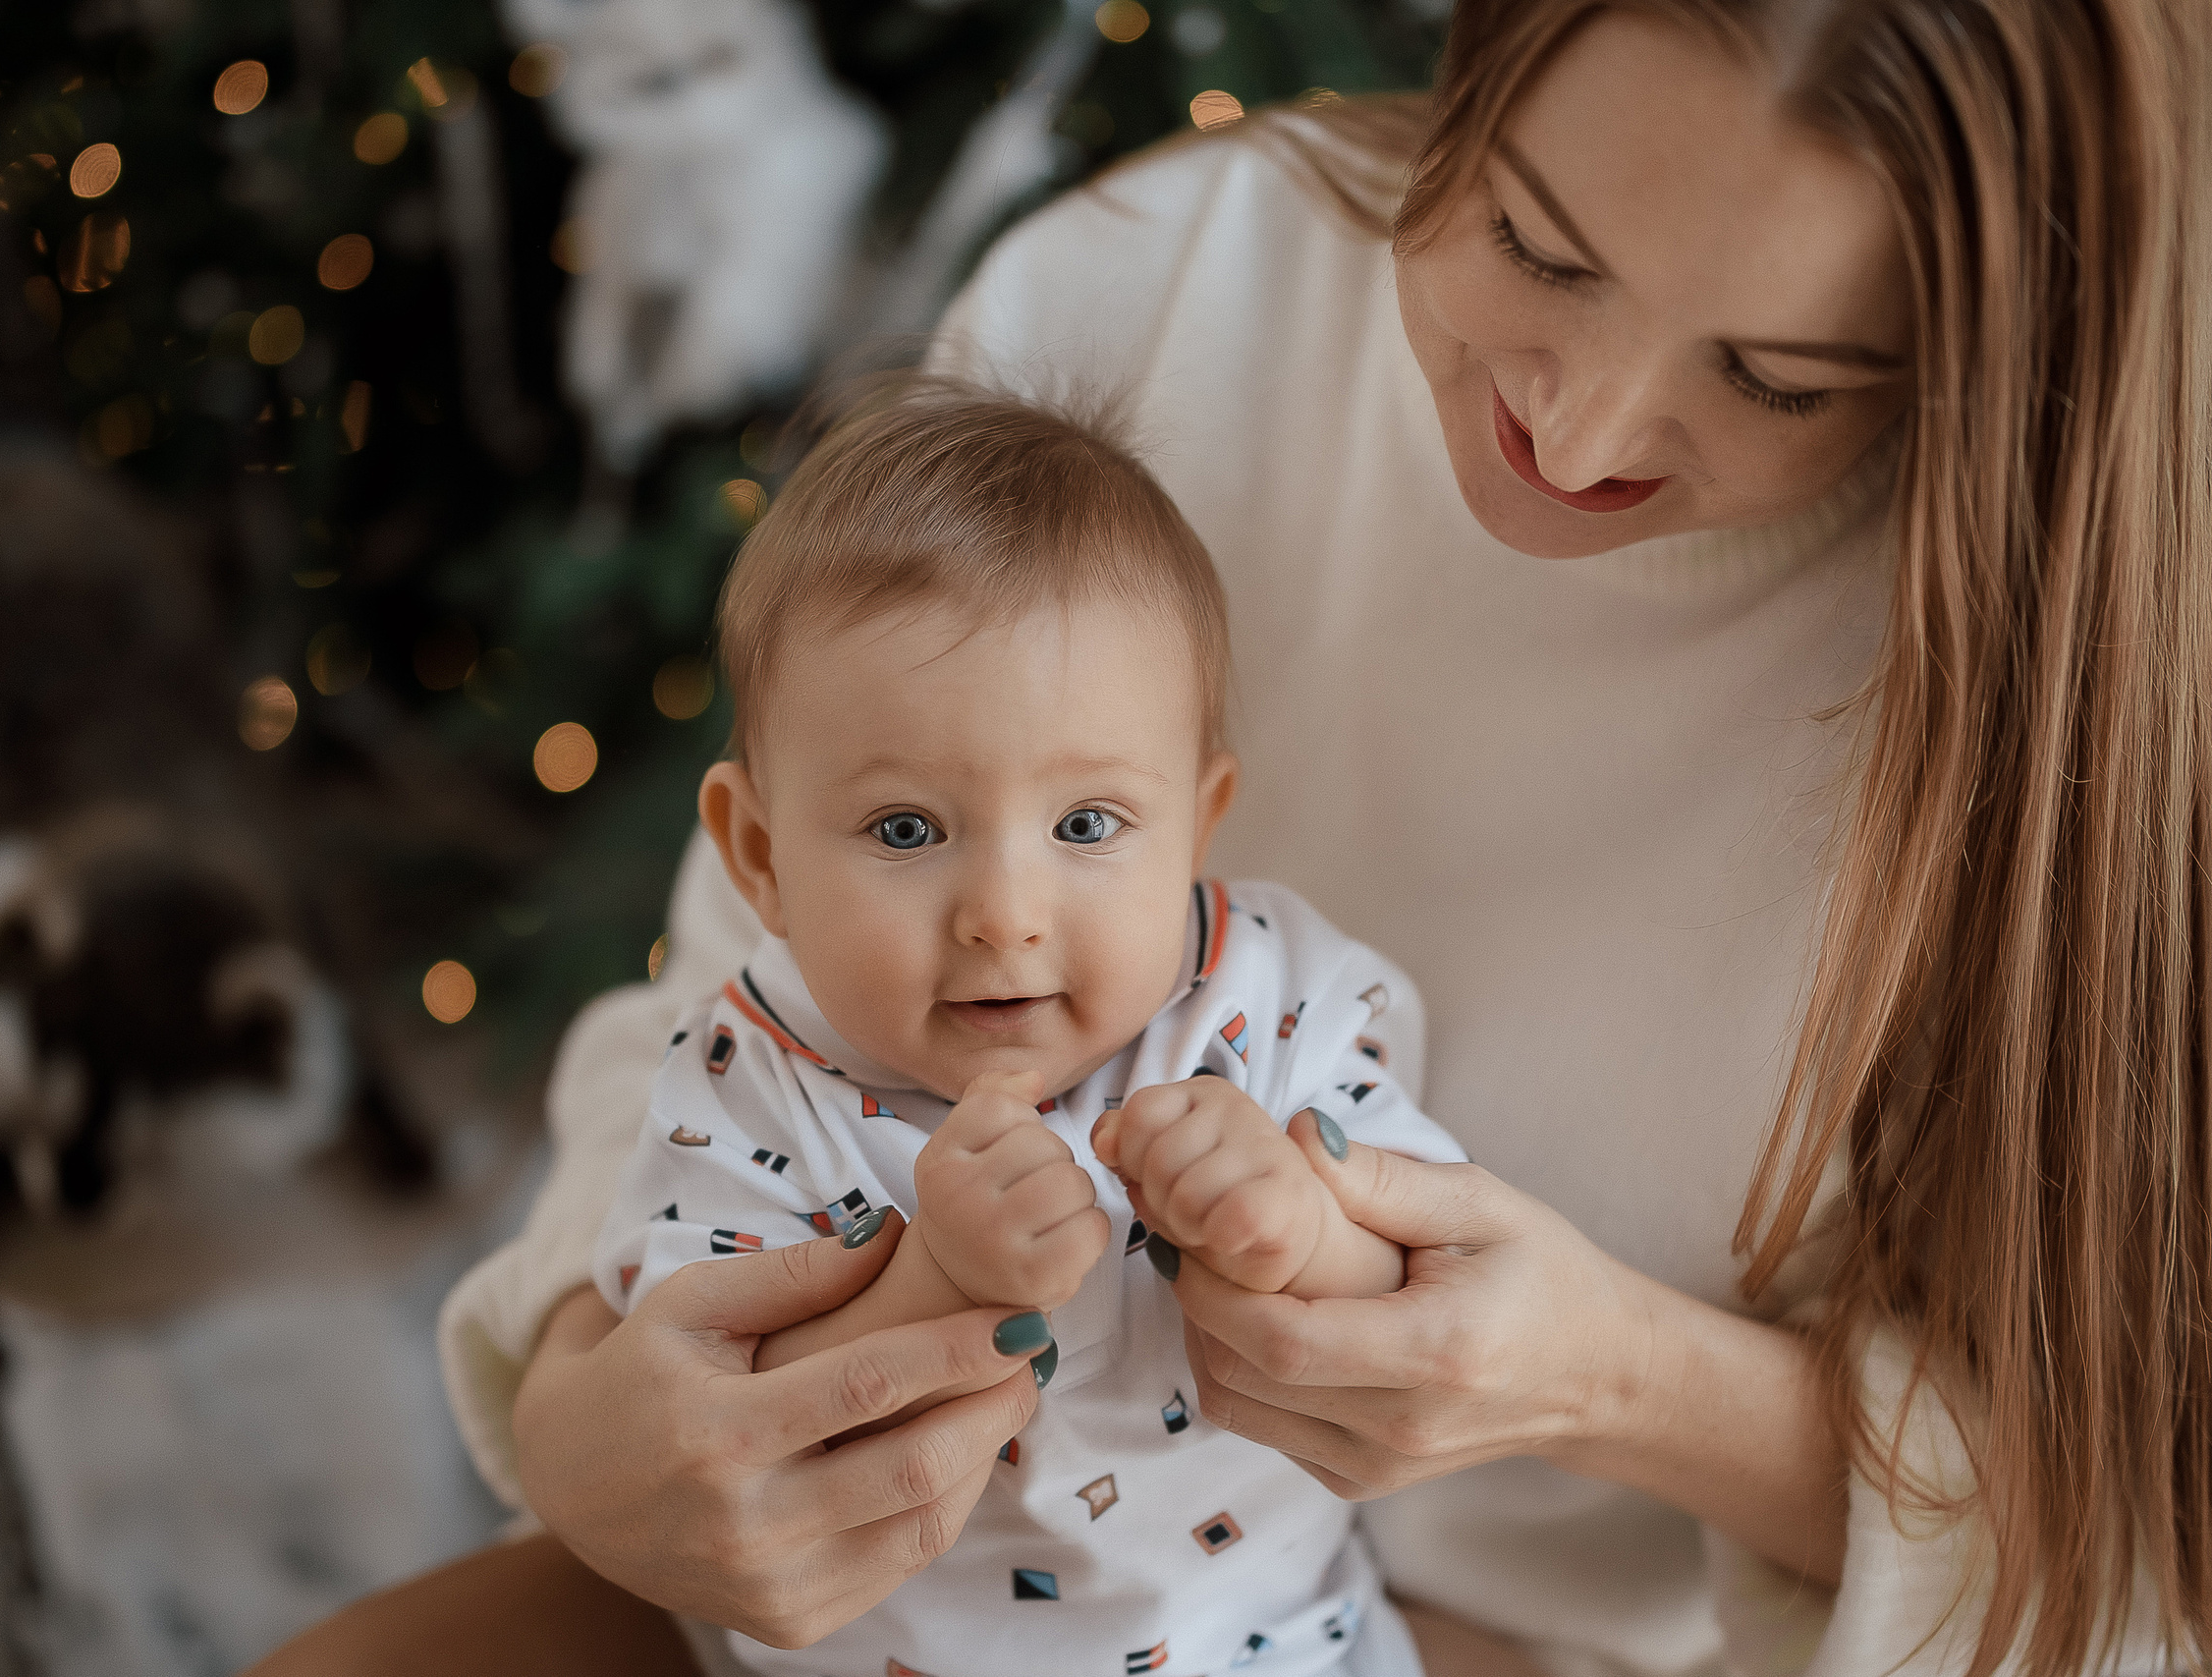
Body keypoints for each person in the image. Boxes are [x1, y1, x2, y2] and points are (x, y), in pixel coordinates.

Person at [250, 3, 2208, 1675]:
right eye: (1531, 243)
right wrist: (600, 1402)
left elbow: (2140, 1559)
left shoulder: (2109, 673)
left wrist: (1615, 1376)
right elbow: (734, 1014)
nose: (1582, 424)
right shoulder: (1159, 295)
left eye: (1780, 378)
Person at [595, 381, 1467, 1677]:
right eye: (906, 830)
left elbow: (1427, 1296)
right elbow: (722, 1426)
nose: (1005, 917)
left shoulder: (1266, 1001)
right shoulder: (749, 1082)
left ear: (1199, 817)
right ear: (759, 854)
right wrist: (934, 1283)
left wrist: (1294, 1224)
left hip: (1281, 1654)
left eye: (1086, 827)